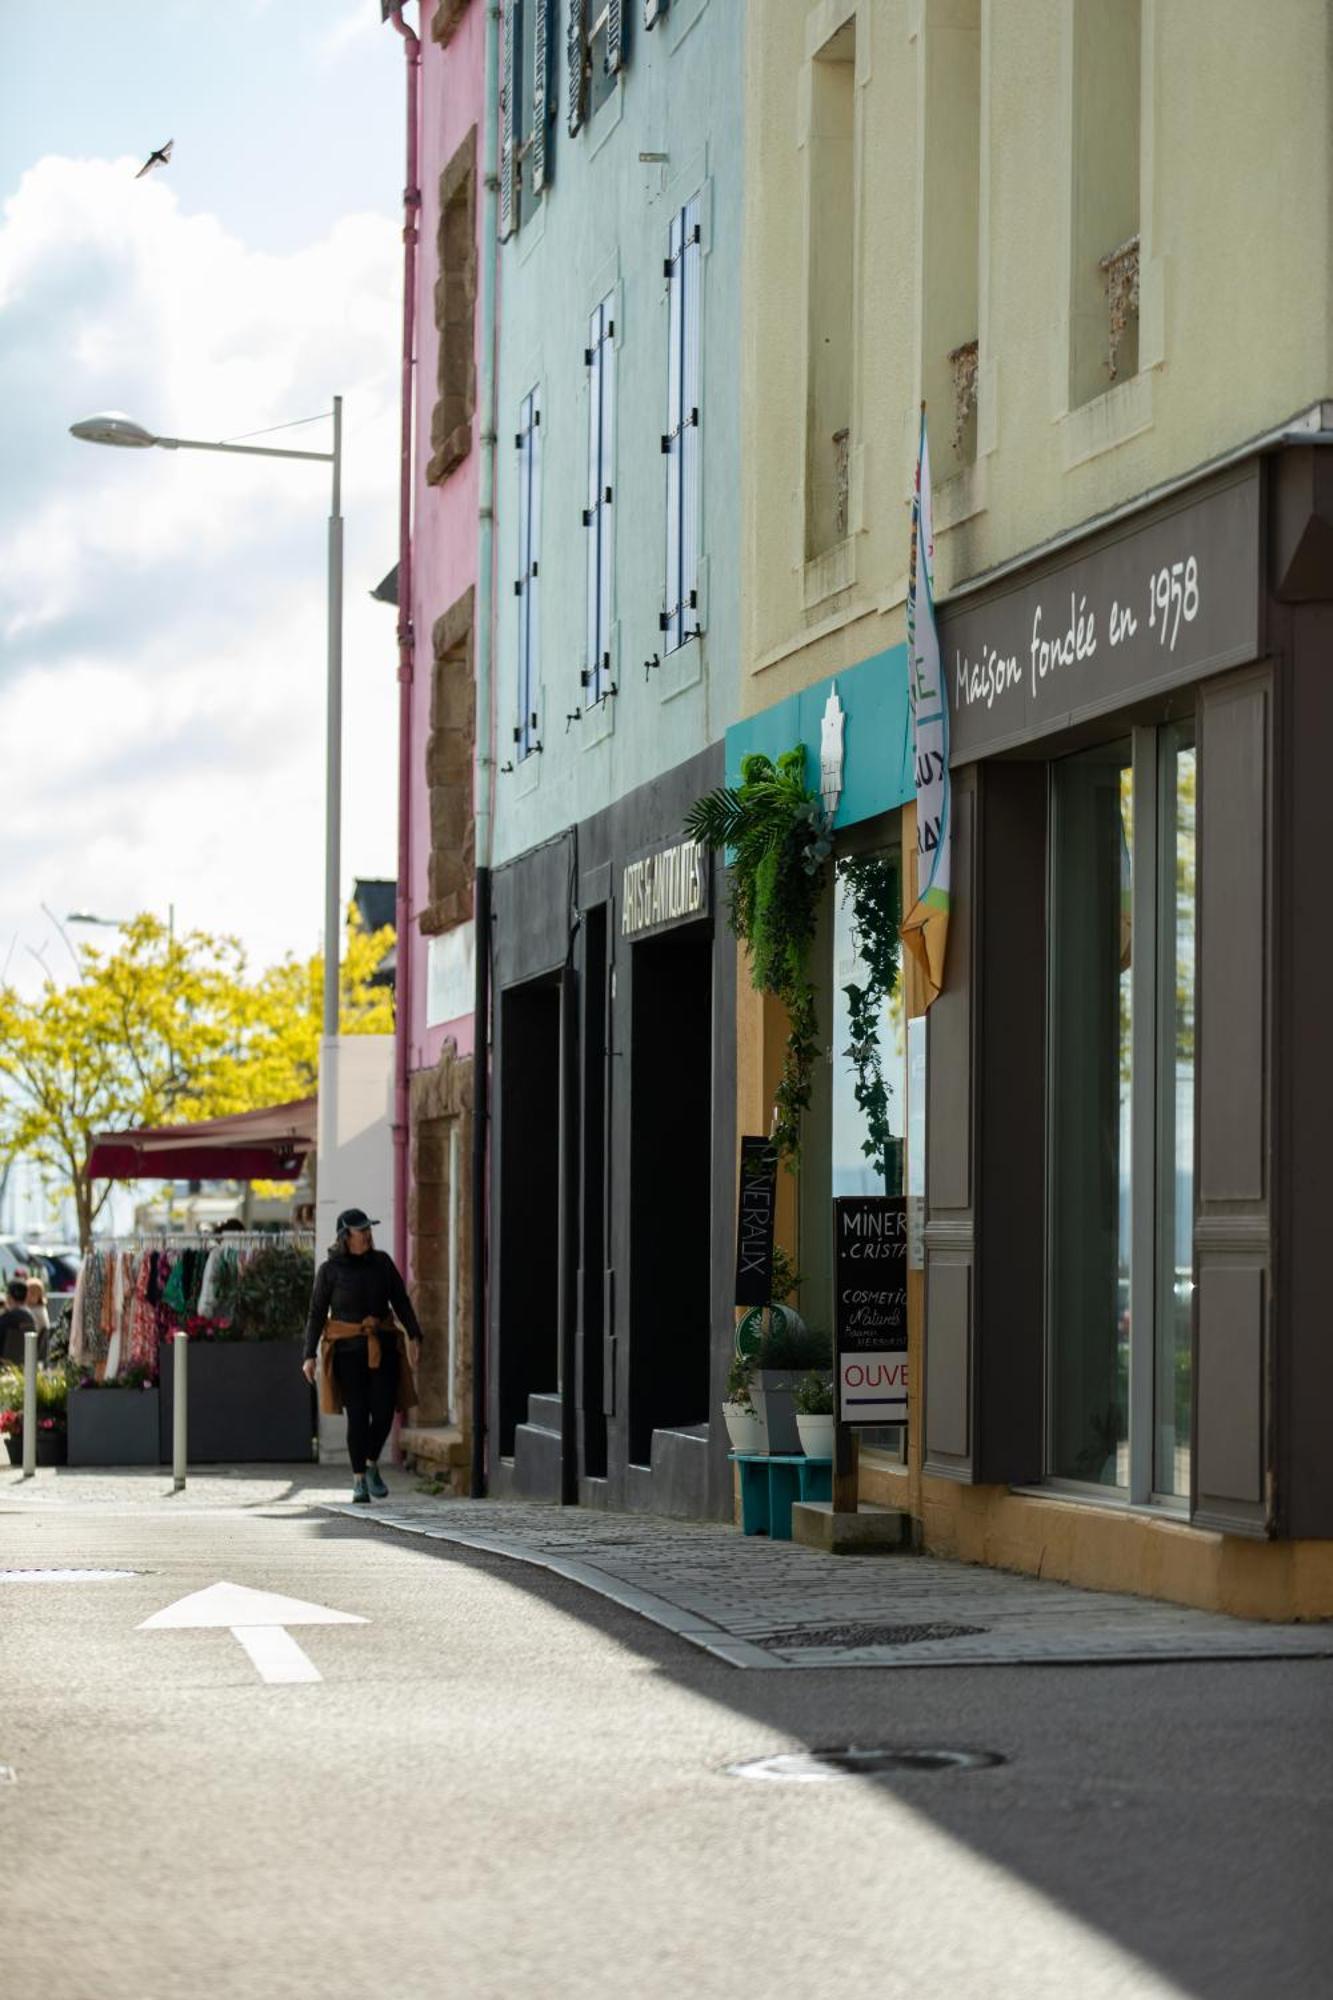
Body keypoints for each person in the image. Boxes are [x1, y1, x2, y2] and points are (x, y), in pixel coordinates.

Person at [303, 1208, 422, 1504]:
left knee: (383, 1412)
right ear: (346, 1236)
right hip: (347, 1353)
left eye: (369, 1230)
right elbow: (317, 1313)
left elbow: (401, 1300)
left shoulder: (382, 1263)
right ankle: (359, 1481)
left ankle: (370, 1463)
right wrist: (309, 1354)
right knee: (357, 1416)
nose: (368, 1235)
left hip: (382, 1347)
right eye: (362, 1231)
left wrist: (414, 1334)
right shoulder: (329, 1271)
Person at [0, 1278, 38, 1365]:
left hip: (4, 1363)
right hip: (24, 1363)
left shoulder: (7, 1318)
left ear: (9, 1297)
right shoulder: (30, 1317)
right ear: (26, 1296)